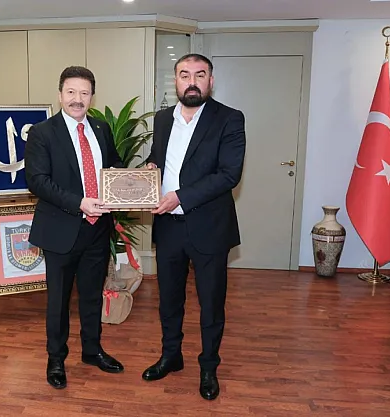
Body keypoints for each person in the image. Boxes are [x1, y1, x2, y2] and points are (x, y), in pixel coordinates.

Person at [142, 53, 246, 401]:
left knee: (211, 304)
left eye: (200, 75)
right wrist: (146, 172)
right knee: (169, 299)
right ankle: (171, 356)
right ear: (176, 80)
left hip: (209, 226)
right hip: (168, 227)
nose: (192, 81)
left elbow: (229, 175)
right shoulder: (163, 119)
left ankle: (208, 367)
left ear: (210, 81)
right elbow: (160, 159)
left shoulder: (229, 119)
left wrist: (179, 197)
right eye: (184, 74)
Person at [24, 66, 125, 390]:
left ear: (92, 96)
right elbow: (37, 181)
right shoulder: (42, 132)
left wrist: (138, 180)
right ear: (60, 95)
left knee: (92, 296)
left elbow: (114, 167)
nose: (77, 99)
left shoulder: (101, 128)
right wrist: (79, 202)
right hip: (61, 230)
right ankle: (56, 359)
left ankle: (92, 351)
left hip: (98, 229)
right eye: (71, 92)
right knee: (58, 301)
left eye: (84, 93)